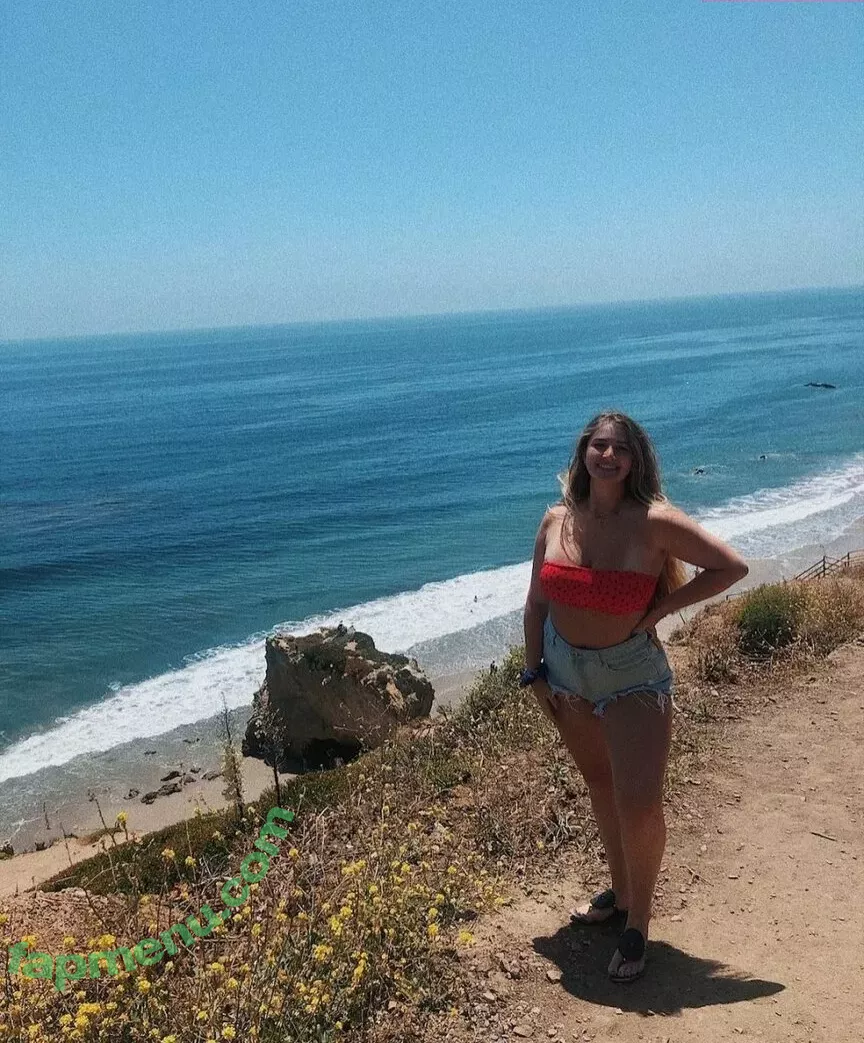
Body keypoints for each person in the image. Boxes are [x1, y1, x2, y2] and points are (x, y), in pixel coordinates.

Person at [521, 410, 748, 983]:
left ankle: (639, 921)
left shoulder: (654, 521)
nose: (608, 456)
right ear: (584, 452)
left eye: (620, 448)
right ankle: (620, 894)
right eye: (599, 445)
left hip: (631, 676)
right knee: (601, 786)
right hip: (565, 674)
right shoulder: (555, 520)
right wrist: (534, 672)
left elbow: (730, 566)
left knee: (639, 801)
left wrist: (663, 608)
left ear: (634, 459)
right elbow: (536, 603)